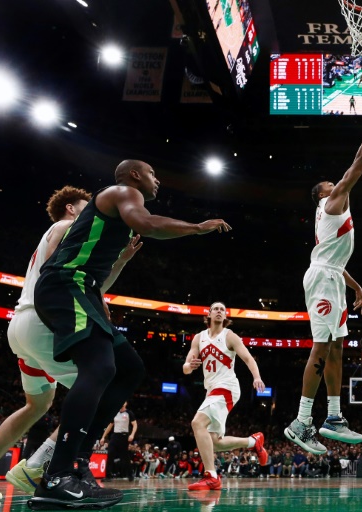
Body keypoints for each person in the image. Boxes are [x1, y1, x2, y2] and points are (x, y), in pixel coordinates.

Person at [28, 160, 230, 510]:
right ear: (135, 175)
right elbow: (146, 223)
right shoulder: (124, 192)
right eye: (154, 174)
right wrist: (197, 227)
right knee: (100, 367)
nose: (158, 180)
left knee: (129, 368)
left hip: (85, 289)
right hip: (66, 283)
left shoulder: (114, 209)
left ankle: (77, 465)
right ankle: (57, 475)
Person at [0, 186, 140, 503]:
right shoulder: (68, 227)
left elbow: (92, 282)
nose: (93, 211)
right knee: (102, 386)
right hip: (45, 321)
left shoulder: (56, 233)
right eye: (86, 206)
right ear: (71, 209)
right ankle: (37, 466)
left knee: (36, 406)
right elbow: (60, 278)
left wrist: (119, 262)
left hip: (22, 326)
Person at [285, 98, 362, 455]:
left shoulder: (333, 215)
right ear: (323, 196)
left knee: (337, 346)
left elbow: (336, 263)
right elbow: (361, 161)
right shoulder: (332, 203)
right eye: (329, 184)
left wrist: (359, 289)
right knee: (322, 346)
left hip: (332, 277)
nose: (336, 184)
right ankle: (301, 422)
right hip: (322, 280)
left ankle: (333, 417)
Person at [181, 302, 269, 490]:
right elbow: (186, 367)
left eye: (223, 309)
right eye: (216, 309)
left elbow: (247, 358)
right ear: (209, 314)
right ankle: (253, 442)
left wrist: (257, 377)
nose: (220, 311)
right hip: (211, 390)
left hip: (227, 387)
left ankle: (211, 476)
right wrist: (189, 366)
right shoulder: (199, 338)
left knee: (197, 423)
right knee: (215, 443)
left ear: (225, 316)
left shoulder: (230, 336)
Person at [99, 402, 138, 480]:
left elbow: (135, 424)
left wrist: (132, 434)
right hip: (115, 435)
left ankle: (130, 475)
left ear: (126, 403)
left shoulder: (129, 413)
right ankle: (108, 475)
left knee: (125, 457)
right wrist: (103, 437)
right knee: (110, 454)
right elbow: (110, 426)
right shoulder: (115, 413)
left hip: (124, 436)